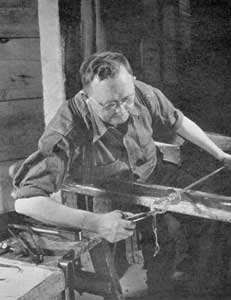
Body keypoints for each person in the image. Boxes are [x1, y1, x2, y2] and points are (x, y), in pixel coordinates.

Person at [13, 51, 231, 287]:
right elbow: (26, 202)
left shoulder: (142, 93)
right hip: (109, 195)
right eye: (109, 105)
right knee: (158, 244)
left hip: (153, 174)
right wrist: (97, 223)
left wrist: (219, 154)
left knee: (210, 214)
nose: (122, 110)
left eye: (126, 99)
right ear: (87, 98)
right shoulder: (68, 127)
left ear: (133, 81)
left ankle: (199, 279)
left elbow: (178, 120)